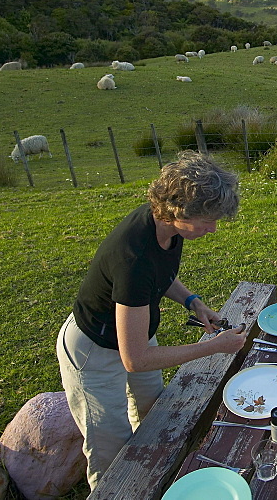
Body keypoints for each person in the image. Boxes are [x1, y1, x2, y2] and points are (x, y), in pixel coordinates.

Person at [55, 150, 248, 490]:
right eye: (207, 221)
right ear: (179, 210)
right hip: (95, 351)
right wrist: (213, 347)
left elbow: (161, 276)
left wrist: (193, 302)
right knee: (109, 449)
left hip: (135, 332)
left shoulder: (164, 228)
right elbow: (136, 359)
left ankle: (152, 478)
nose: (213, 229)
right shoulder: (134, 259)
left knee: (152, 412)